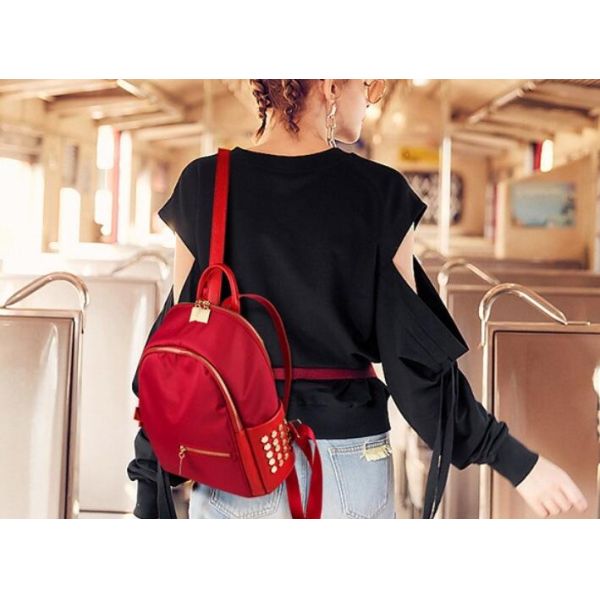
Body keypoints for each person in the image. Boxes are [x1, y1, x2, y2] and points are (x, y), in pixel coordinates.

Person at [127, 79, 588, 519]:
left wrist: (150, 483)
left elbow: (174, 350)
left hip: (236, 461)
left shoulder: (205, 183)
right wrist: (514, 460)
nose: (370, 101)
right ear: (331, 86)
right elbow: (415, 366)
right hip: (349, 462)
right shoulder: (379, 193)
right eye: (368, 86)